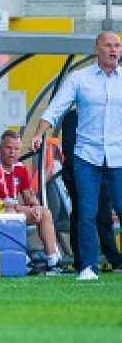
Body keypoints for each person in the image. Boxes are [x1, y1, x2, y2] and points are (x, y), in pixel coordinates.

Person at [31, 31, 122, 281]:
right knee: (86, 212)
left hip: (118, 155)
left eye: (117, 46)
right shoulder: (79, 79)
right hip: (87, 156)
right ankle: (87, 268)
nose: (114, 50)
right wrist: (39, 134)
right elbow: (55, 108)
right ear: (96, 49)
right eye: (108, 46)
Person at [0, 130, 64, 274]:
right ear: (0, 148)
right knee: (11, 213)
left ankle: (53, 261)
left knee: (44, 212)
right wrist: (19, 208)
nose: (12, 152)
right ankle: (21, 261)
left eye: (16, 149)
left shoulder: (19, 167)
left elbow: (28, 193)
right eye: (8, 148)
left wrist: (35, 206)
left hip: (15, 210)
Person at [60, 109, 122, 273]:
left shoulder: (104, 115)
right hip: (79, 173)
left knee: (103, 216)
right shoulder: (74, 117)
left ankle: (113, 258)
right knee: (84, 215)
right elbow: (69, 147)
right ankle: (83, 261)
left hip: (102, 170)